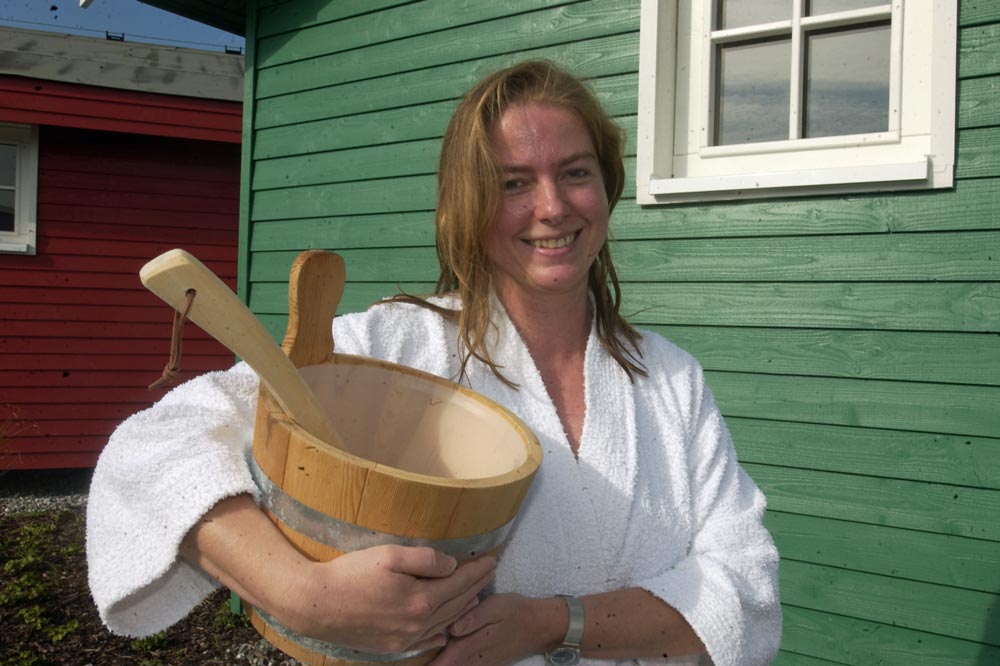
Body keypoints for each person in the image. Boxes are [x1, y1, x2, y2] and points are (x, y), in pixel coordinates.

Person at [87, 60, 781, 666]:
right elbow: (151, 450)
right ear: (468, 205)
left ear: (606, 187)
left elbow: (742, 591)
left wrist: (547, 622)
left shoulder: (670, 380)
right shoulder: (396, 350)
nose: (551, 206)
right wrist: (302, 595)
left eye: (575, 172)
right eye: (513, 183)